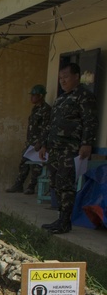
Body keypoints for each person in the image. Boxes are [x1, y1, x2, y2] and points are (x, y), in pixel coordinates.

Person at [41, 62, 98, 234]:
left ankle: (65, 222)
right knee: (56, 184)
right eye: (60, 78)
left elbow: (90, 121)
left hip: (70, 148)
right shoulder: (60, 99)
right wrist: (45, 144)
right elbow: (52, 124)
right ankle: (60, 218)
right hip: (55, 149)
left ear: (76, 77)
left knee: (66, 184)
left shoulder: (84, 96)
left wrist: (86, 143)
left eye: (66, 77)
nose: (62, 81)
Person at [6, 84, 52, 194]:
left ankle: (31, 186)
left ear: (40, 96)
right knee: (24, 163)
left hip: (38, 143)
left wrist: (41, 142)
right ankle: (19, 184)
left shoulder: (46, 110)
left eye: (34, 95)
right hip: (30, 142)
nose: (31, 98)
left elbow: (47, 128)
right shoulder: (35, 109)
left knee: (36, 166)